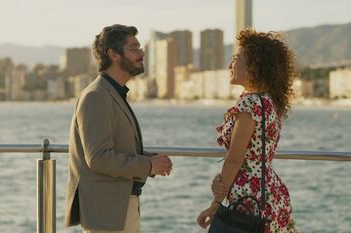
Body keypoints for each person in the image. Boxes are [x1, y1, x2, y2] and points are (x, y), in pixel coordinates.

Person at [65, 24, 172, 233]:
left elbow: (114, 149)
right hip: (107, 215)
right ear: (113, 54)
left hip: (119, 209)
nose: (141, 53)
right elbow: (98, 157)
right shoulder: (96, 96)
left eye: (140, 47)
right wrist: (148, 166)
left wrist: (151, 160)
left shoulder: (112, 93)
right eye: (133, 48)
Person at [197, 28, 299, 232]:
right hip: (271, 194)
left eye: (236, 58)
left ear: (253, 66)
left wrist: (215, 205)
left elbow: (235, 158)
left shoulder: (249, 104)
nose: (230, 64)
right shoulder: (269, 103)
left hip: (249, 196)